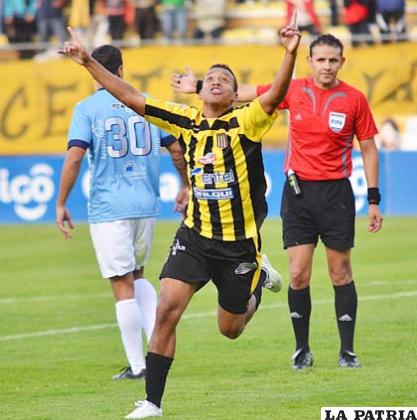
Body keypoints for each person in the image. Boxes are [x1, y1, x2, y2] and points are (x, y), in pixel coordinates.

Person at [60, 15, 300, 418]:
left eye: (226, 78)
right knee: (168, 309)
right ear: (202, 89)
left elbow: (275, 95)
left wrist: (289, 54)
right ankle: (152, 402)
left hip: (238, 244)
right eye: (212, 77)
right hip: (195, 237)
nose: (218, 80)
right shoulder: (183, 119)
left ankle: (256, 279)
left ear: (234, 93)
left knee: (231, 329)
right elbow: (133, 96)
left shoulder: (247, 122)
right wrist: (87, 62)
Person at [172, 33, 383, 370]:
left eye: (333, 60)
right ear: (310, 61)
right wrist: (198, 85)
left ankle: (348, 351)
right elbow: (248, 93)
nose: (326, 66)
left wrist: (373, 199)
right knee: (298, 274)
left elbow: (369, 147)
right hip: (298, 193)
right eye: (321, 59)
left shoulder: (354, 99)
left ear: (342, 62)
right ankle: (302, 350)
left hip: (337, 194)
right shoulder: (294, 90)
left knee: (340, 272)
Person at [56, 44, 189, 381]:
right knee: (139, 274)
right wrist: (185, 184)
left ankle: (140, 366)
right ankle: (156, 350)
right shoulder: (145, 102)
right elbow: (176, 148)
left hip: (109, 207)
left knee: (121, 284)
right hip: (145, 205)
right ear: (122, 70)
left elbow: (74, 157)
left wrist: (61, 203)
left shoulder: (87, 109)